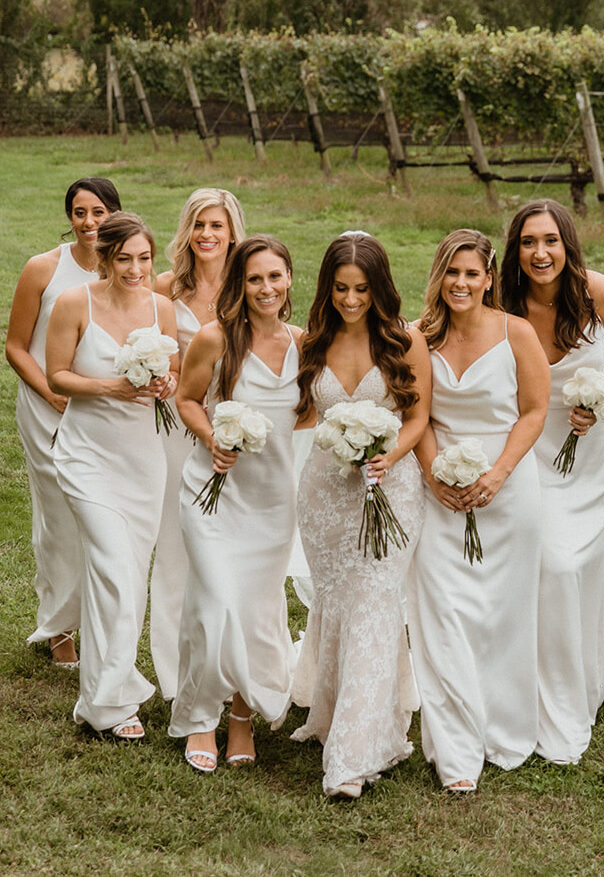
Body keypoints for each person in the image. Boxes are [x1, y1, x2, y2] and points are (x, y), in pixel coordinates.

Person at [290, 231, 431, 799]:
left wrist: (386, 456)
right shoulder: (311, 342)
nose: (352, 300)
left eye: (363, 289)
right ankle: (332, 713)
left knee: (374, 601)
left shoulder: (404, 340)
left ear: (380, 288)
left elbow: (420, 419)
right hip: (325, 495)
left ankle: (354, 752)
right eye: (342, 289)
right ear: (328, 289)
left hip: (390, 489)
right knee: (339, 600)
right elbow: (300, 414)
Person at [409, 229, 550, 793]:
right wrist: (433, 474)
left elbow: (535, 411)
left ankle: (503, 727)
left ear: (489, 278)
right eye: (452, 272)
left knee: (501, 616)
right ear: (439, 276)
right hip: (440, 492)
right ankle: (455, 748)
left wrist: (496, 475)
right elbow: (414, 415)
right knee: (442, 614)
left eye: (472, 274)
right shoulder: (420, 336)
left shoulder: (517, 333)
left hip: (509, 490)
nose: (461, 283)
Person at [499, 199, 604, 765]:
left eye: (550, 241)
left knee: (576, 567)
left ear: (568, 244)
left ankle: (579, 678)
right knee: (549, 563)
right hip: (531, 445)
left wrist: (601, 393)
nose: (540, 253)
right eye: (529, 242)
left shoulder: (599, 292)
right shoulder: (499, 301)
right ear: (516, 250)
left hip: (592, 450)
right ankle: (532, 692)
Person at [169, 235, 300, 773]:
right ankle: (200, 715)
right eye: (254, 279)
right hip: (213, 491)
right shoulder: (214, 338)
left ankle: (242, 716)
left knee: (256, 608)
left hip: (273, 500)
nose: (266, 288)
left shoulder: (305, 343)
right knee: (215, 603)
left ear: (289, 278)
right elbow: (186, 400)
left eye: (275, 276)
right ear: (238, 285)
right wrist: (212, 439)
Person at [46, 212, 179, 739]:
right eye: (124, 259)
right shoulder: (74, 303)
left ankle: (102, 698)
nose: (135, 269)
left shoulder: (160, 308)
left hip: (142, 460)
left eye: (144, 258)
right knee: (112, 569)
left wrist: (164, 385)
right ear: (104, 258)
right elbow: (57, 375)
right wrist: (113, 388)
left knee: (128, 580)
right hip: (86, 457)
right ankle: (111, 703)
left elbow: (172, 371)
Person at [4, 177, 120, 669]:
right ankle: (59, 628)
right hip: (47, 407)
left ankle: (101, 620)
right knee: (58, 520)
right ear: (69, 217)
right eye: (79, 212)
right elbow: (15, 346)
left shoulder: (128, 267)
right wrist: (52, 393)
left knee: (102, 519)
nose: (89, 222)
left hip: (105, 411)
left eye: (98, 212)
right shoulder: (43, 269)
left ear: (114, 213)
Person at [149, 189, 248, 700]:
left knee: (230, 548)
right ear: (186, 231)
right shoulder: (165, 288)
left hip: (237, 432)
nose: (207, 235)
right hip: (175, 429)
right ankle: (173, 674)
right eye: (198, 225)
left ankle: (232, 665)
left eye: (217, 225)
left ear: (233, 231)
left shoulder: (250, 285)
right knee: (174, 548)